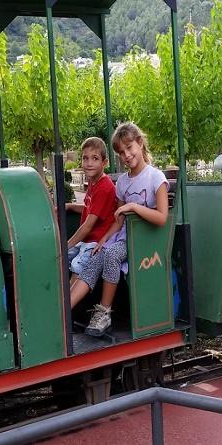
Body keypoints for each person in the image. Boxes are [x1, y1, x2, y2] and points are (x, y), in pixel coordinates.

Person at [70, 122, 169, 337]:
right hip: (124, 237)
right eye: (121, 152)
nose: (127, 155)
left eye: (130, 148)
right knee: (97, 255)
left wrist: (134, 207)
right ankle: (62, 311)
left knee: (112, 255)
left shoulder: (155, 177)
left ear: (140, 144)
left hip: (145, 238)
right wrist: (105, 239)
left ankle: (104, 312)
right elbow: (118, 220)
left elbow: (162, 217)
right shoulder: (123, 182)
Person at [65, 137, 117, 277]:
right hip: (87, 239)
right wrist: (70, 206)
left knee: (77, 264)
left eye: (95, 158)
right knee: (60, 259)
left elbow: (88, 226)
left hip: (96, 241)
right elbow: (89, 209)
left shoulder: (104, 187)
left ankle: (70, 298)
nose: (89, 163)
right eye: (85, 158)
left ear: (104, 162)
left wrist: (66, 245)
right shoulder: (94, 182)